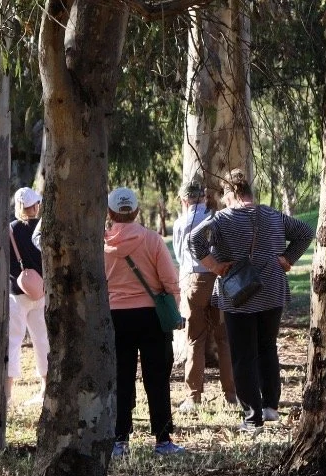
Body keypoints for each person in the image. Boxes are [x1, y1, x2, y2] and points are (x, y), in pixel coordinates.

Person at [189, 168, 313, 433]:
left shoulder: (222, 219)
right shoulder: (273, 215)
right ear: (249, 192)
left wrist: (214, 266)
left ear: (231, 194)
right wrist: (288, 258)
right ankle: (270, 407)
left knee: (243, 355)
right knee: (268, 347)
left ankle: (252, 417)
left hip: (237, 295)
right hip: (273, 291)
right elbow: (305, 231)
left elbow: (194, 239)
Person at [105, 186, 186, 456]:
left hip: (115, 317)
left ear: (109, 212)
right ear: (137, 211)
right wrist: (171, 312)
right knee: (157, 378)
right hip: (151, 317)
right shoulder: (152, 241)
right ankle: (163, 440)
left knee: (120, 377)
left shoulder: (101, 244)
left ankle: (120, 440)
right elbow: (170, 282)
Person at [170, 178, 236, 412]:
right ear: (203, 196)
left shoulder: (180, 223)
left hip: (194, 282)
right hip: (220, 279)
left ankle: (193, 396)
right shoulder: (216, 218)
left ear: (183, 199)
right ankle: (231, 394)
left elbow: (179, 256)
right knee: (224, 339)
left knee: (195, 339)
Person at [6, 186, 49, 404]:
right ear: (35, 206)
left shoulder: (10, 230)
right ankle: (45, 387)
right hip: (41, 293)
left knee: (13, 341)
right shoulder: (44, 229)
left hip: (17, 293)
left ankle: (8, 392)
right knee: (42, 340)